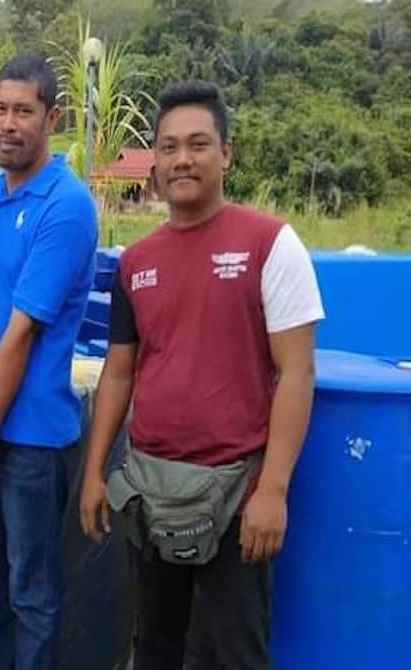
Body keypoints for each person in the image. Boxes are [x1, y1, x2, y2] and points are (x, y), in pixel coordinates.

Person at [79, 80, 325, 670]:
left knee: (232, 654)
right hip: (152, 491)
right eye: (168, 147)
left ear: (226, 153)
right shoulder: (135, 263)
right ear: (155, 160)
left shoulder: (270, 244)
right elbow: (118, 375)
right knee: (157, 647)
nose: (182, 159)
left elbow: (297, 372)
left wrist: (274, 490)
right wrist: (94, 473)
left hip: (238, 496)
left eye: (197, 144)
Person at [0, 53, 99, 669]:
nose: (7, 123)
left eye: (23, 111)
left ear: (51, 117)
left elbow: (22, 331)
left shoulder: (66, 206)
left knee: (32, 592)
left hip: (25, 438)